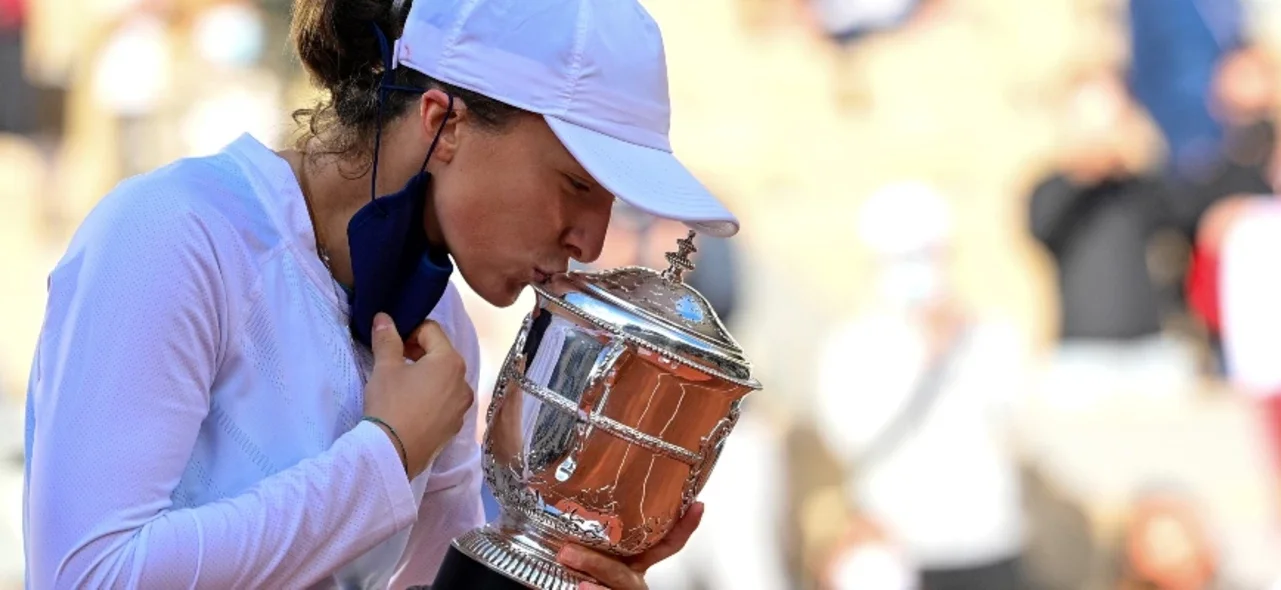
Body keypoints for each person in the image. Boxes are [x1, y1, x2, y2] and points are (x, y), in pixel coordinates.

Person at [22, 0, 743, 587]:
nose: (589, 239)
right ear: (445, 121)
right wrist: (386, 453)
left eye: (611, 201)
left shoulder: (440, 328)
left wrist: (565, 565)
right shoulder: (177, 233)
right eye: (576, 185)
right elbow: (88, 573)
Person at [815, 182, 1029, 590]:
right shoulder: (852, 342)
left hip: (987, 541)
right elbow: (848, 437)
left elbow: (1012, 415)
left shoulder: (989, 333)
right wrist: (919, 356)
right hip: (896, 549)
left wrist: (963, 343)